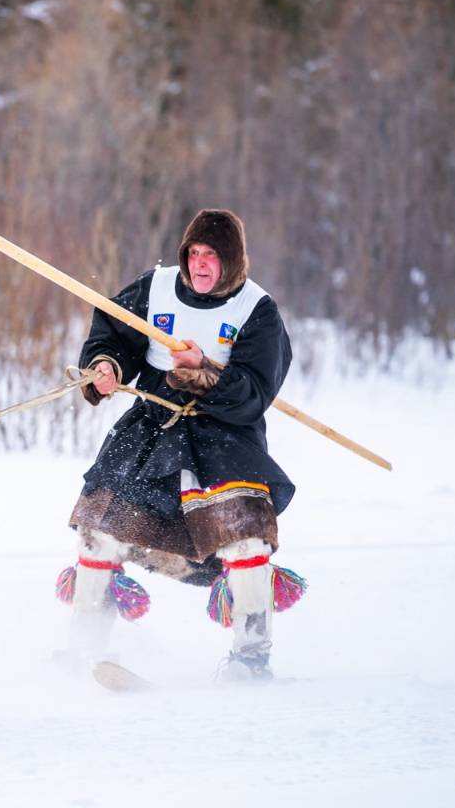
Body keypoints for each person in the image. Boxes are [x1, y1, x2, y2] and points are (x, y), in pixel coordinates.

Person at [60, 208, 301, 681]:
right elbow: (112, 331)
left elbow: (254, 394)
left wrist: (205, 371)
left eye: (212, 256)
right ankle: (81, 651)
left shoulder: (257, 310)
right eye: (194, 253)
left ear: (231, 261)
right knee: (100, 529)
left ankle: (251, 658)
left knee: (245, 536)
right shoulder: (156, 288)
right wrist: (106, 366)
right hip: (151, 427)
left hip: (224, 435)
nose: (200, 264)